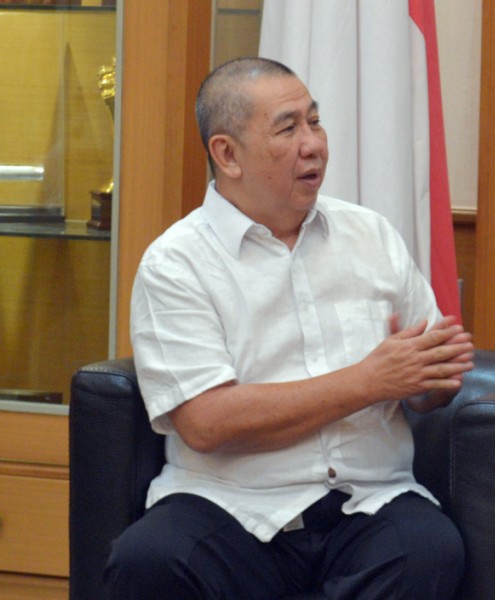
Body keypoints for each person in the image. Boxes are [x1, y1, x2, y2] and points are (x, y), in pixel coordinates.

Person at [104, 56, 474, 600]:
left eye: (315, 122)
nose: (313, 144)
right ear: (227, 154)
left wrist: (431, 380)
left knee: (429, 551)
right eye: (288, 128)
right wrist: (369, 381)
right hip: (229, 503)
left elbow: (423, 385)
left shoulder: (370, 235)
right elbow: (206, 421)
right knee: (149, 560)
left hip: (366, 501)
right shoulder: (177, 263)